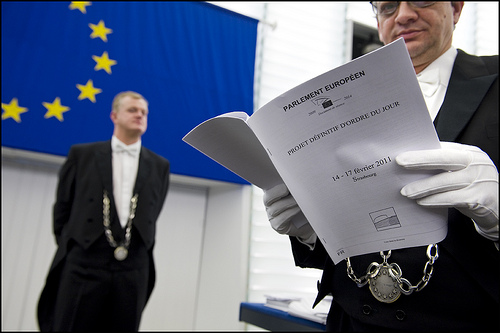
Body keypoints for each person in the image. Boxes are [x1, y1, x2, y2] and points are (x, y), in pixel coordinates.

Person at [263, 2, 498, 331]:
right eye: (387, 6)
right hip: (349, 321)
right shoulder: (334, 102)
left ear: (456, 9)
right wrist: (309, 233)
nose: (402, 15)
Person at [37, 91, 171, 331]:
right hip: (84, 264)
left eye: (144, 112)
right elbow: (62, 209)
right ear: (114, 115)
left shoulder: (160, 166)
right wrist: (78, 244)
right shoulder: (82, 155)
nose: (140, 115)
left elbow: (153, 211)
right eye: (132, 110)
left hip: (133, 269)